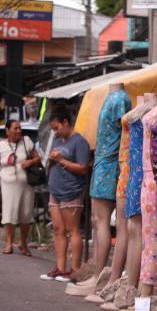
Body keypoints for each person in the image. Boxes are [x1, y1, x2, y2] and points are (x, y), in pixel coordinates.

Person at [40, 106, 90, 283]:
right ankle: (60, 268)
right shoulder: (57, 141)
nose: (55, 132)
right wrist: (52, 160)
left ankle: (74, 269)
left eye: (56, 128)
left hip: (71, 191)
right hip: (55, 189)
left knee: (72, 230)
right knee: (58, 229)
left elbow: (83, 168)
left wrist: (61, 160)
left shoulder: (79, 142)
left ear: (66, 122)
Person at [0, 120, 41, 255]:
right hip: (9, 186)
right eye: (15, 128)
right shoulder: (0, 145)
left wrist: (30, 162)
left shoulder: (26, 141)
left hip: (27, 185)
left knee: (26, 214)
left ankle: (23, 243)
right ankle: (9, 243)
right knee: (9, 213)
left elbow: (38, 158)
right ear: (7, 131)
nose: (19, 131)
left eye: (20, 128)